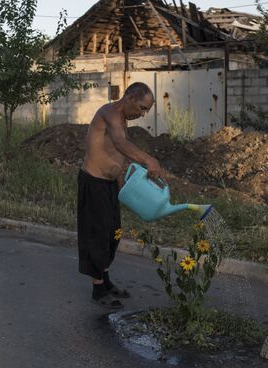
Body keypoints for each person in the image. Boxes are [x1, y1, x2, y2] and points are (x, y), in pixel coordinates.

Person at [78, 82, 165, 309]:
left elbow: (115, 150)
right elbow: (120, 142)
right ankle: (98, 290)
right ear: (130, 97)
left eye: (146, 110)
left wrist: (120, 180)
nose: (143, 114)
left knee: (112, 234)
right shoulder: (110, 113)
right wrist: (148, 160)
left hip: (109, 184)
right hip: (94, 182)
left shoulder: (122, 118)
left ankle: (105, 282)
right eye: (142, 108)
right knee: (97, 234)